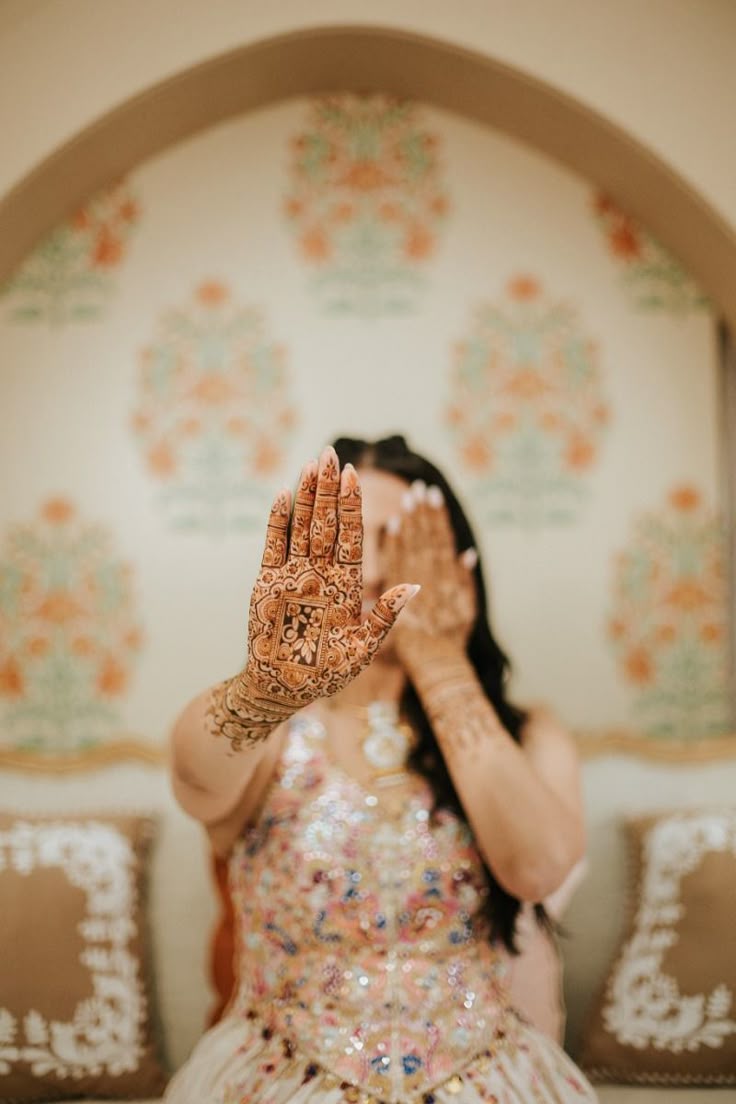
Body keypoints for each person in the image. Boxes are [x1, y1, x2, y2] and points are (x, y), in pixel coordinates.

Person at [166, 436, 597, 1104]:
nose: (375, 566)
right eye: (357, 533)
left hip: (484, 1074)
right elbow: (195, 780)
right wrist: (266, 689)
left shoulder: (529, 734)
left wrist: (437, 658)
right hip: (281, 1076)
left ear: (454, 565)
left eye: (403, 539)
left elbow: (537, 869)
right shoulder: (275, 736)